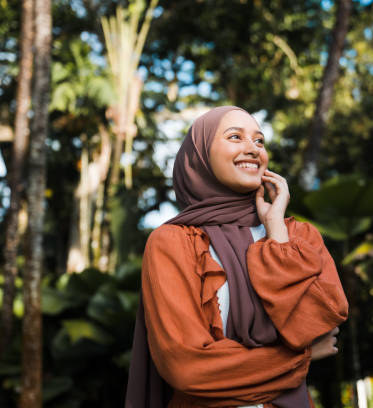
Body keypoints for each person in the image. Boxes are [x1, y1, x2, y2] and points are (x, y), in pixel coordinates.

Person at [125, 106, 348, 408]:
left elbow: (319, 325)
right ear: (200, 156)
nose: (252, 149)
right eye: (235, 137)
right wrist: (299, 357)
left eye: (259, 141)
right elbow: (187, 367)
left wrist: (277, 235)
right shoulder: (172, 242)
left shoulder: (297, 237)